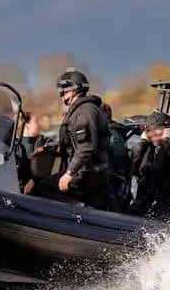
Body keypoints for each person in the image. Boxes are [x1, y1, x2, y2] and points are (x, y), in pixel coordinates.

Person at [23, 68, 110, 208]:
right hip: (88, 170)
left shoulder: (85, 111)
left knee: (39, 190)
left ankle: (80, 207)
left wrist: (70, 173)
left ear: (75, 90)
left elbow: (86, 147)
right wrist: (47, 148)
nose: (62, 95)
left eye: (65, 91)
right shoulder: (82, 110)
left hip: (88, 173)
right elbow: (72, 143)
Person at [128, 110, 170, 220]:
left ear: (168, 131)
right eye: (150, 131)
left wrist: (166, 141)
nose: (154, 135)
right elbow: (128, 162)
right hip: (145, 204)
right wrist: (142, 143)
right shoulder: (145, 150)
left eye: (158, 131)